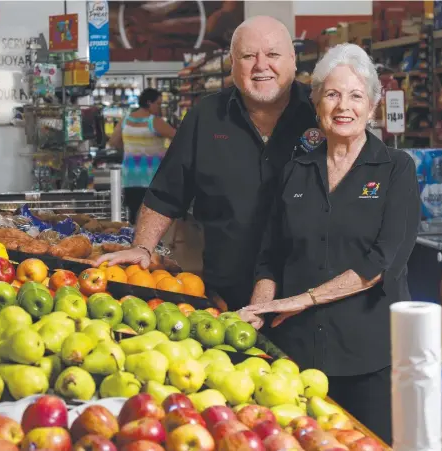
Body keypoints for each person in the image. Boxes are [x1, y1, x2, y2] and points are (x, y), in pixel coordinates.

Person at [239, 43, 421, 445]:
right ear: (316, 101)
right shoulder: (296, 171)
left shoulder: (397, 169)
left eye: (356, 95)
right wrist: (259, 310)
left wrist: (302, 299)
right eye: (333, 94)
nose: (344, 106)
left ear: (372, 106)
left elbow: (383, 262)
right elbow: (271, 257)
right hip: (295, 357)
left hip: (368, 359)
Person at [95, 16, 317, 311]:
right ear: (232, 62)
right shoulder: (207, 116)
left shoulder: (320, 112)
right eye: (248, 56)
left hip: (308, 294)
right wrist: (142, 247)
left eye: (273, 54)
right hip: (228, 295)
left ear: (293, 58)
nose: (261, 65)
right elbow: (166, 193)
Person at [108, 88, 177, 223]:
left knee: (134, 218)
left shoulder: (125, 120)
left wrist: (130, 150)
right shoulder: (154, 121)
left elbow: (113, 142)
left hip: (130, 177)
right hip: (151, 177)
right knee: (152, 220)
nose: (159, 107)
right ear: (149, 103)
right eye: (158, 104)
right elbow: (179, 137)